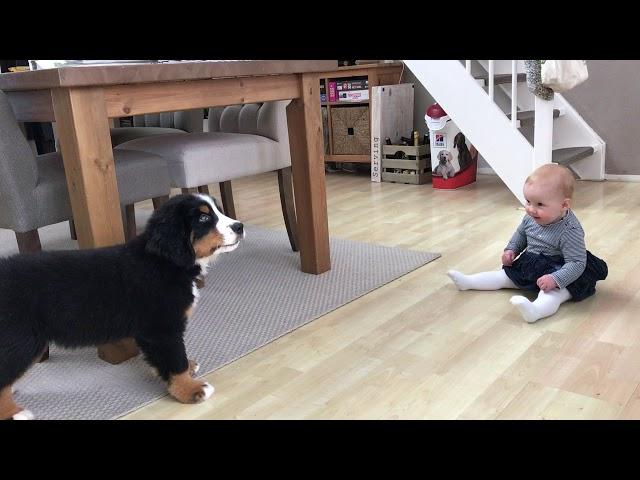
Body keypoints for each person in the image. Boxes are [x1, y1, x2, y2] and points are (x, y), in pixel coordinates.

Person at [447, 163, 607, 323]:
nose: (531, 209)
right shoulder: (531, 217)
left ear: (564, 205)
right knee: (504, 277)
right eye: (528, 201)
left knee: (553, 294)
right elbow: (521, 234)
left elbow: (577, 263)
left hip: (562, 269)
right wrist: (512, 250)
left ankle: (536, 310)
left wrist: (555, 279)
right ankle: (469, 282)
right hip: (533, 263)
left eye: (539, 204)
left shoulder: (570, 230)